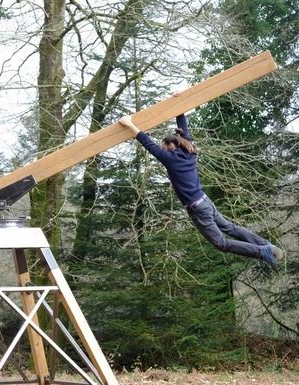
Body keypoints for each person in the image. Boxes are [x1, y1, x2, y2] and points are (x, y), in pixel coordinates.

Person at [118, 100, 284, 271]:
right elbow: (183, 127)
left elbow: (147, 143)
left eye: (164, 146)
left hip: (198, 208)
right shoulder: (189, 150)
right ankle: (266, 245)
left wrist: (129, 124)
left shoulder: (171, 159)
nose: (162, 149)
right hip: (205, 202)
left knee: (222, 244)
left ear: (172, 146)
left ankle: (262, 251)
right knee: (230, 228)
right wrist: (179, 103)